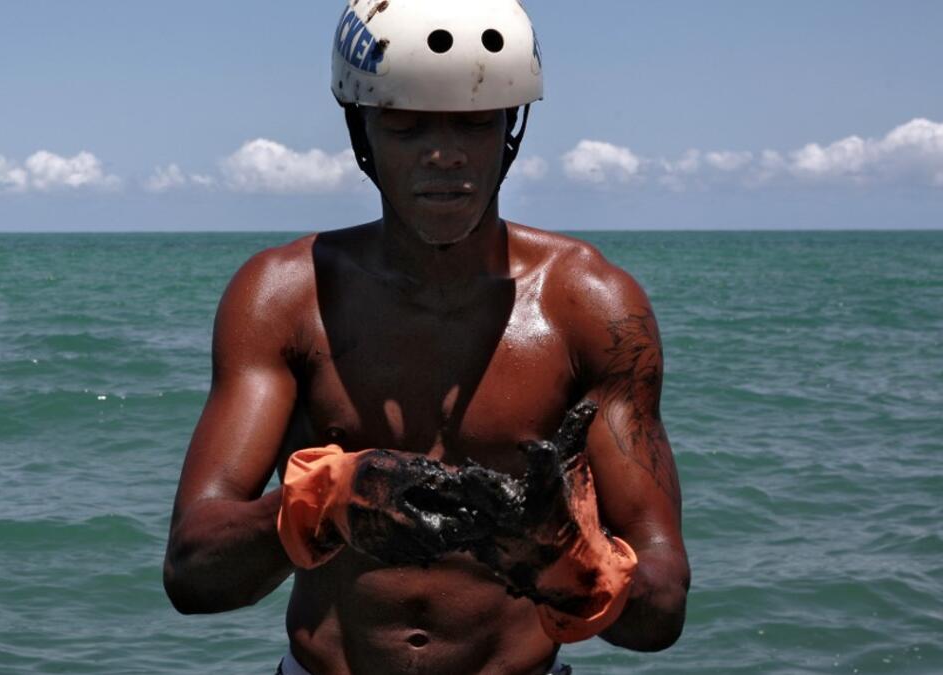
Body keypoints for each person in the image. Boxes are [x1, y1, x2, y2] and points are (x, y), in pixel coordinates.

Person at [163, 1, 689, 673]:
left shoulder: (592, 307)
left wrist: (576, 564)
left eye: (473, 123)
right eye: (407, 126)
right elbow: (192, 570)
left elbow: (663, 605)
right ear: (362, 132)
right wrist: (325, 503)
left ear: (511, 128)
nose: (444, 155)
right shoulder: (284, 297)